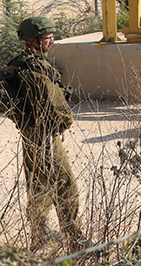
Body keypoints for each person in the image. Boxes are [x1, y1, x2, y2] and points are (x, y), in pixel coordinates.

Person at [1, 16, 82, 250]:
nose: (52, 41)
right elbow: (54, 102)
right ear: (33, 40)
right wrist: (65, 122)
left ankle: (39, 239)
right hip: (44, 134)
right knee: (65, 185)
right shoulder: (37, 68)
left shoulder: (17, 64)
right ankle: (75, 240)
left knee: (38, 186)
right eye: (48, 37)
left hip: (29, 133)